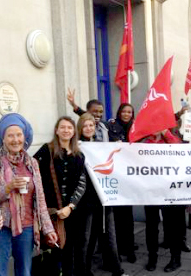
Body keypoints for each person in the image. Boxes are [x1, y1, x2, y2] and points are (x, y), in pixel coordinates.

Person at [0, 113, 58, 276]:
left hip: (28, 226)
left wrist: (48, 229)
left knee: (24, 271)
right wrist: (7, 188)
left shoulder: (32, 163)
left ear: (25, 137)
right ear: (3, 138)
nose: (15, 140)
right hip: (0, 226)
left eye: (19, 135)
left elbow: (41, 199)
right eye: (10, 135)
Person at [76, 113, 128, 276]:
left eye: (91, 125)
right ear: (80, 128)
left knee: (110, 236)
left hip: (104, 197)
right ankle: (84, 270)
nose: (89, 128)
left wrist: (118, 147)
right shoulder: (77, 147)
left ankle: (117, 270)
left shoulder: (99, 146)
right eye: (85, 125)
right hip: (86, 199)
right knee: (86, 238)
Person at [34, 116, 87, 276]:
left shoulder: (79, 156)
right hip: (52, 214)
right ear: (57, 130)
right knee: (53, 254)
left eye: (69, 128)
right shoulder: (46, 150)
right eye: (62, 127)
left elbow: (82, 184)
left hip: (72, 213)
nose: (66, 130)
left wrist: (70, 206)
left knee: (72, 250)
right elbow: (33, 173)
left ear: (74, 132)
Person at [137, 130, 185, 272]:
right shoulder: (145, 140)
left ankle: (176, 258)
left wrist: (165, 132)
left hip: (169, 190)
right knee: (151, 226)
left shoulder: (171, 137)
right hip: (151, 190)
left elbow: (178, 148)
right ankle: (152, 257)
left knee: (172, 226)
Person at [107, 104, 137, 263]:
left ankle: (130, 249)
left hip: (130, 178)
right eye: (124, 111)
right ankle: (118, 250)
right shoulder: (110, 126)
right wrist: (77, 108)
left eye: (129, 112)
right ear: (119, 113)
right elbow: (92, 121)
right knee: (117, 218)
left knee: (128, 218)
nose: (126, 114)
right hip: (116, 177)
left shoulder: (136, 127)